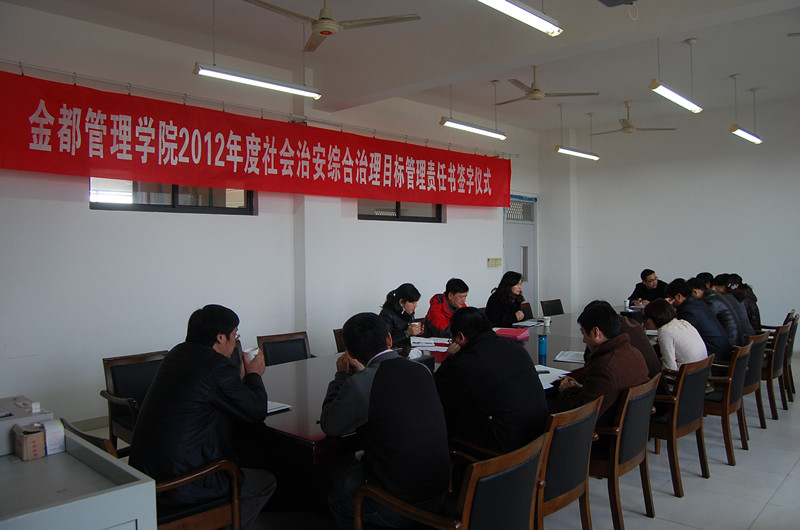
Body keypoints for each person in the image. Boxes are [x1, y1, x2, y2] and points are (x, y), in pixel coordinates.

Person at [129, 305, 275, 530]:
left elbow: (205, 393)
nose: (235, 341)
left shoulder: (178, 353)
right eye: (235, 335)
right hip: (180, 483)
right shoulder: (215, 366)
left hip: (148, 473)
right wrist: (254, 375)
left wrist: (237, 380)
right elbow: (256, 411)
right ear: (220, 337)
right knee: (264, 481)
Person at [320, 312, 450, 530]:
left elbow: (330, 425)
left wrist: (341, 376)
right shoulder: (422, 370)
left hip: (395, 508)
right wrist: (364, 375)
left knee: (336, 484)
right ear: (389, 339)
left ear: (349, 353)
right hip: (438, 495)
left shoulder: (361, 385)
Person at [434, 307, 548, 453]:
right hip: (537, 439)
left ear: (460, 337)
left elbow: (436, 394)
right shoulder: (516, 347)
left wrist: (450, 357)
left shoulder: (466, 363)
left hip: (507, 450)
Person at [556, 301, 649, 428]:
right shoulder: (634, 352)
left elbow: (581, 414)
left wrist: (567, 391)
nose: (583, 340)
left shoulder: (604, 368)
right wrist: (579, 387)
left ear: (596, 332)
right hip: (632, 429)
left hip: (603, 433)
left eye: (583, 333)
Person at [666, 279, 733, 361]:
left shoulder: (687, 312)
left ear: (679, 296)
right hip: (721, 352)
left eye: (670, 299)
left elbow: (680, 339)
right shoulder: (698, 304)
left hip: (715, 358)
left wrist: (667, 309)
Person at [644, 299, 707, 371]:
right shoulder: (682, 322)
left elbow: (670, 367)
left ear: (655, 317)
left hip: (686, 375)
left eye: (646, 318)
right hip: (701, 371)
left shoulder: (665, 331)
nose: (646, 321)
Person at [687, 277, 745, 346]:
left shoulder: (709, 301)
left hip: (730, 343)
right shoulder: (713, 295)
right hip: (733, 339)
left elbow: (703, 324)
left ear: (695, 292)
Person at [379, 283, 424, 348]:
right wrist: (407, 333)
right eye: (412, 302)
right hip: (395, 351)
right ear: (401, 302)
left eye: (416, 302)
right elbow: (386, 342)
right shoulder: (386, 315)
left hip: (406, 349)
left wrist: (417, 331)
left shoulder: (407, 312)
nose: (415, 306)